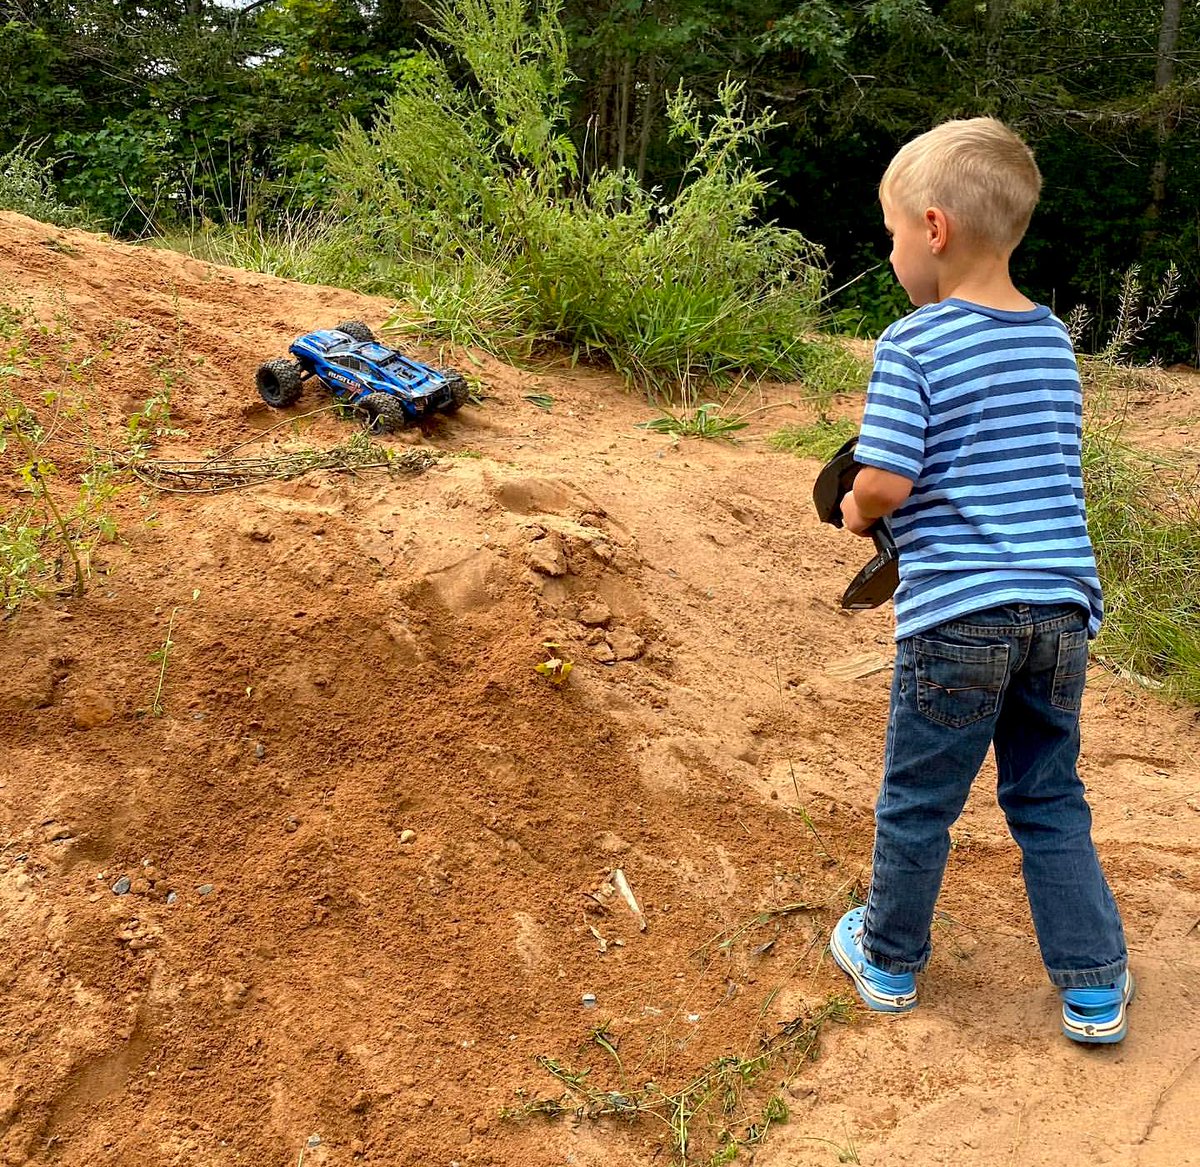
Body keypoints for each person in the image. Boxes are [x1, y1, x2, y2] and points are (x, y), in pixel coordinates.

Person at [829, 117, 1132, 1044]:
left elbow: (884, 479)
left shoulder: (913, 343)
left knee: (920, 799)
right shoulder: (1050, 341)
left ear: (932, 229)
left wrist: (854, 510)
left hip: (960, 616)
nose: (889, 254)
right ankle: (1093, 985)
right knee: (1048, 793)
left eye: (887, 235)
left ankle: (885, 956)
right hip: (1061, 612)